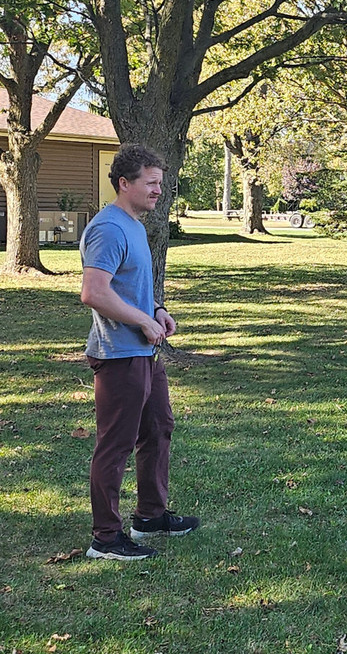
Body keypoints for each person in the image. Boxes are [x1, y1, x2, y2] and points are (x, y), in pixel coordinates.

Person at [79, 144, 199, 561]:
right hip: (119, 355)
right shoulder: (109, 228)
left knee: (158, 427)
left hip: (144, 352)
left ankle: (150, 515)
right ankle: (106, 538)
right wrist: (142, 322)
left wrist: (157, 310)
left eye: (160, 183)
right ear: (124, 183)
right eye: (151, 183)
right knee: (116, 444)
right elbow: (94, 292)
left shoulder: (133, 225)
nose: (158, 191)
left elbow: (130, 286)